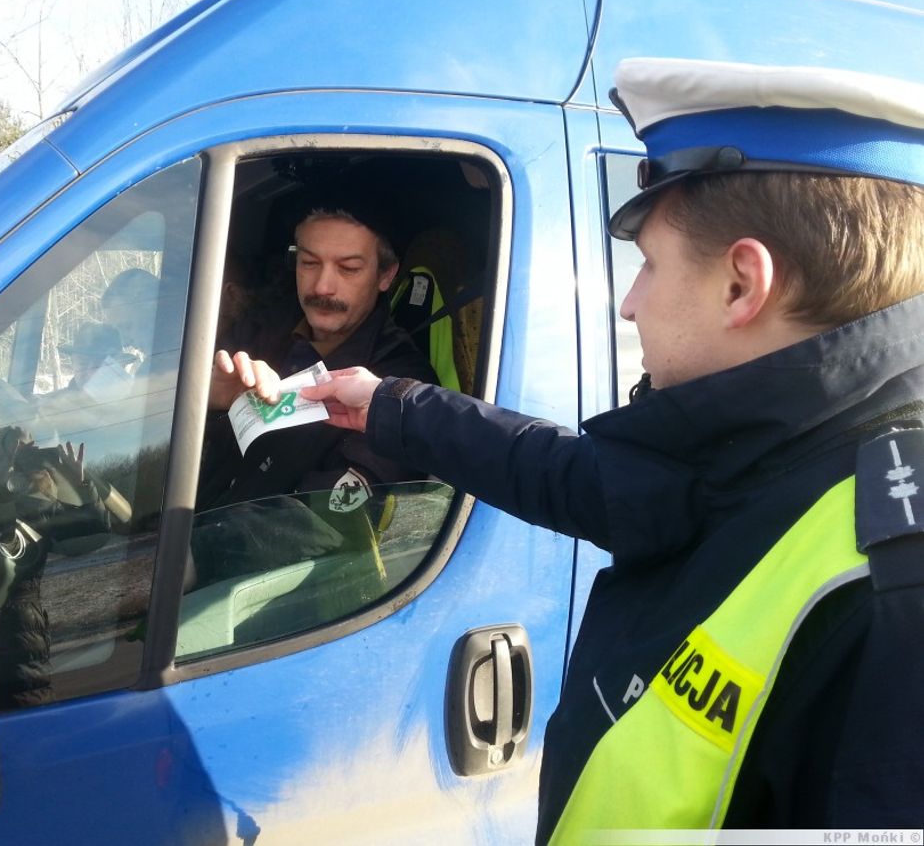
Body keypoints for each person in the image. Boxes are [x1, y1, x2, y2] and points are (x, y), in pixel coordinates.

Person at [287, 59, 924, 838]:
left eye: (649, 265)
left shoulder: (896, 596)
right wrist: (388, 404)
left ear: (742, 284)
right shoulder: (758, 448)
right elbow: (572, 475)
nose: (629, 302)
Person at [197, 197, 438, 516]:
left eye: (348, 268)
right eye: (309, 263)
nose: (323, 286)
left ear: (386, 276)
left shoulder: (398, 389)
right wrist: (208, 400)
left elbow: (323, 529)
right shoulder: (257, 331)